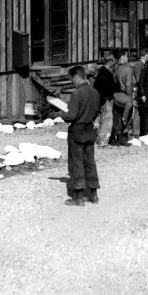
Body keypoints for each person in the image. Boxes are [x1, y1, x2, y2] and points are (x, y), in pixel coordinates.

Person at [63, 65, 101, 206]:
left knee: (76, 162)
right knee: (90, 162)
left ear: (76, 77)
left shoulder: (76, 94)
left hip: (77, 130)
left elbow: (71, 116)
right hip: (90, 129)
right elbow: (97, 112)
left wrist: (61, 114)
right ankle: (94, 194)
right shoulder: (95, 92)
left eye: (72, 79)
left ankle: (79, 197)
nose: (72, 82)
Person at [92, 56, 118, 146]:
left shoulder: (102, 72)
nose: (114, 64)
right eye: (114, 61)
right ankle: (102, 141)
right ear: (110, 61)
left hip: (103, 99)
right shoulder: (105, 73)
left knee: (103, 120)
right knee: (106, 121)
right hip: (106, 100)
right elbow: (102, 89)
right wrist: (106, 98)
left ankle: (100, 139)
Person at [112, 49, 136, 144]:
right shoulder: (128, 69)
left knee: (116, 116)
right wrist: (130, 97)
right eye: (126, 56)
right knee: (127, 117)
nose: (127, 58)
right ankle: (123, 138)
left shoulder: (115, 68)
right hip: (125, 94)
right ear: (122, 57)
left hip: (116, 95)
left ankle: (115, 137)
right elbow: (128, 86)